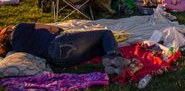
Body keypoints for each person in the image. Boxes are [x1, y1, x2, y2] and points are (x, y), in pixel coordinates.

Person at [0, 23, 129, 75]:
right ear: (8, 30)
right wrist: (60, 30)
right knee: (106, 34)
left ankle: (111, 67)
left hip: (59, 61)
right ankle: (114, 57)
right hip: (60, 44)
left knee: (99, 46)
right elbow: (50, 28)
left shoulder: (15, 48)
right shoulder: (20, 28)